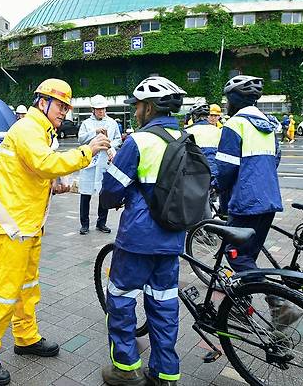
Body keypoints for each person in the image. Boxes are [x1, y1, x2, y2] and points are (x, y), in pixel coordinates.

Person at [0, 79, 110, 386]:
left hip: (26, 224)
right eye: (60, 106)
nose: (64, 113)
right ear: (42, 102)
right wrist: (87, 151)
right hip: (11, 226)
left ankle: (26, 337)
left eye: (67, 108)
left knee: (27, 287)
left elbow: (32, 172)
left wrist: (56, 185)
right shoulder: (28, 129)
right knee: (5, 292)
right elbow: (45, 163)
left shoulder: (40, 131)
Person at [98, 76, 186, 386]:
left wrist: (118, 195)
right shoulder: (186, 139)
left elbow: (110, 190)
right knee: (163, 304)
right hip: (172, 238)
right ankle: (165, 372)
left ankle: (126, 367)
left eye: (137, 106)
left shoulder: (139, 141)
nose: (136, 112)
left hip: (137, 238)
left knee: (121, 299)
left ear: (149, 108)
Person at [215, 75, 301, 326]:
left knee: (236, 255)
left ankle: (278, 305)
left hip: (245, 200)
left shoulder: (235, 125)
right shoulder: (268, 123)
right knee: (248, 256)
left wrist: (218, 189)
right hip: (268, 198)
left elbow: (227, 168)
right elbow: (275, 158)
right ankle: (242, 306)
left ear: (233, 100)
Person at [77, 94, 122, 235]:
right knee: (85, 195)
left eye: (102, 109)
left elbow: (118, 139)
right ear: (93, 110)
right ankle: (84, 224)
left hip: (104, 162)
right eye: (98, 109)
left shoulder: (112, 123)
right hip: (89, 163)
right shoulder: (86, 124)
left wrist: (107, 144)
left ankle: (101, 223)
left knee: (104, 193)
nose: (101, 112)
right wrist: (95, 132)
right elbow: (81, 139)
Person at [185, 101, 222, 219]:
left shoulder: (187, 131)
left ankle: (207, 228)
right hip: (215, 175)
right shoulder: (219, 131)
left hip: (197, 175)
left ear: (194, 116)